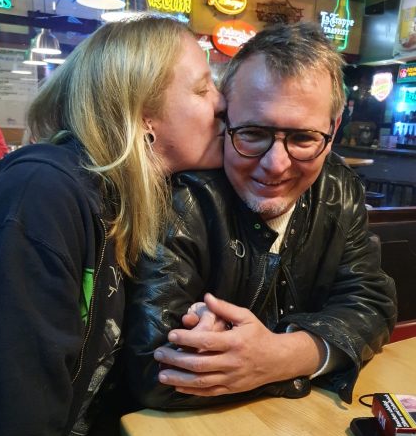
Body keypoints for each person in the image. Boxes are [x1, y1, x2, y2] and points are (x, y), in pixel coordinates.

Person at [0, 16, 225, 436]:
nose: (221, 104)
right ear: (144, 113)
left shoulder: (132, 202)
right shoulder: (43, 196)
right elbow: (9, 428)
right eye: (202, 87)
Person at [125, 22, 397, 410]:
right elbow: (157, 371)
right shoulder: (182, 200)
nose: (275, 164)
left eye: (303, 138)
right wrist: (292, 362)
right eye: (252, 132)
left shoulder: (340, 189)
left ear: (333, 130)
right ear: (225, 117)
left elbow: (372, 302)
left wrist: (282, 356)